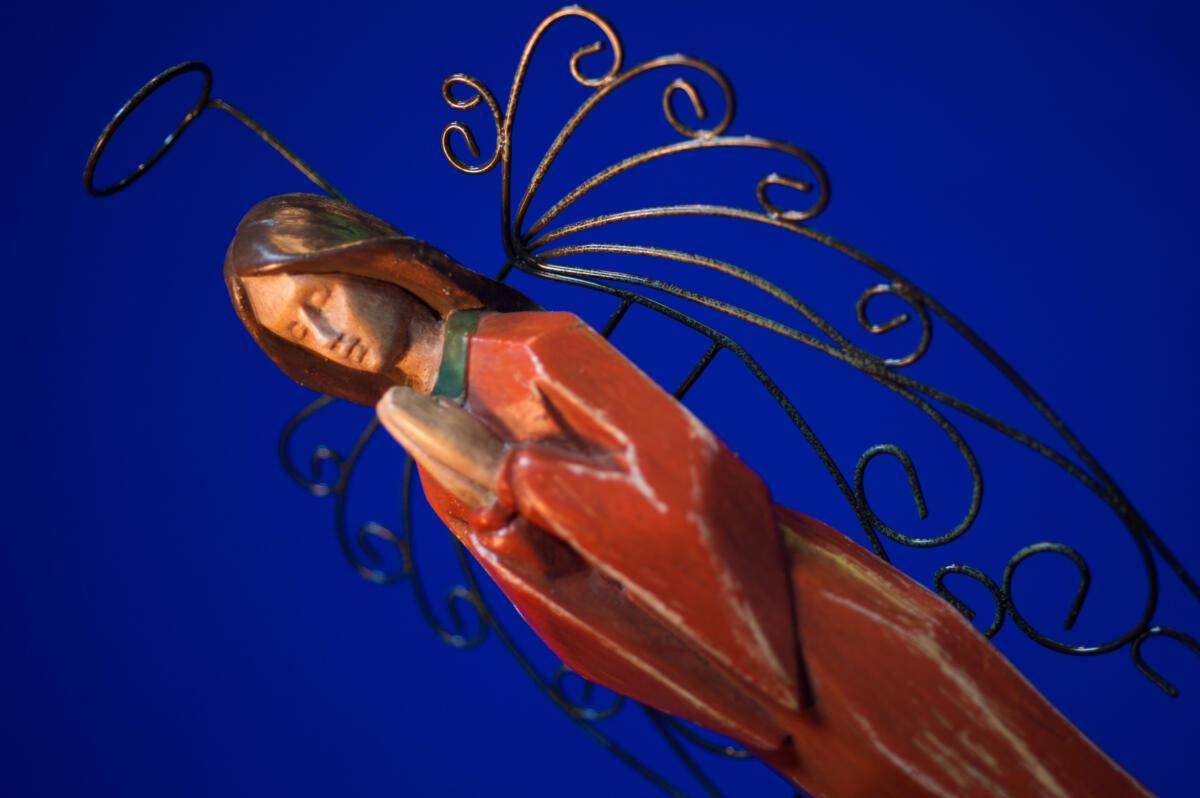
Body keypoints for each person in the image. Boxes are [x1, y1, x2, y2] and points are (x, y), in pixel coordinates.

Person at [228, 193, 1147, 797]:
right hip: (755, 697)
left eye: (320, 299)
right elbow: (571, 621)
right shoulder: (433, 461)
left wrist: (515, 476)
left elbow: (698, 487)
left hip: (810, 619)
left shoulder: (530, 351)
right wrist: (501, 518)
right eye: (296, 333)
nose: (323, 335)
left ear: (370, 266)